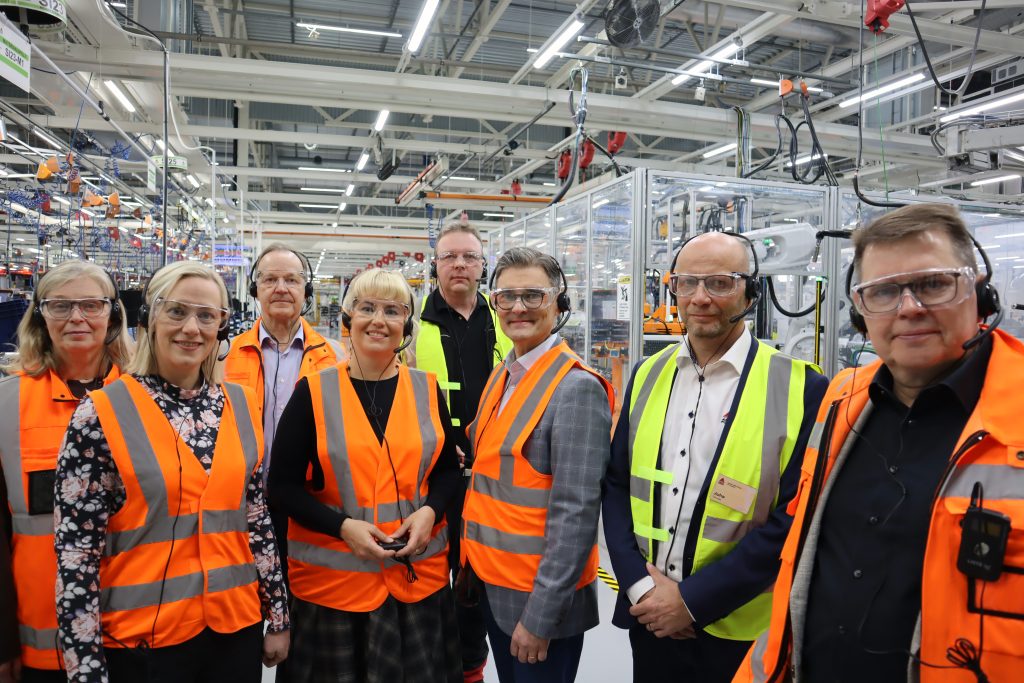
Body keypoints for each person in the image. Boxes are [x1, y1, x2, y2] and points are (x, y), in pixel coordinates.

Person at [734, 203, 1024, 682]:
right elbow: (803, 571)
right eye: (884, 291)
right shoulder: (842, 401)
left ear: (979, 290)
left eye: (933, 283)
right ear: (860, 312)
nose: (909, 307)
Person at [602, 231, 827, 683]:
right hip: (649, 619)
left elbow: (796, 516)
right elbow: (618, 484)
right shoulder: (648, 372)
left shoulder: (803, 388)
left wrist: (691, 602)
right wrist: (643, 587)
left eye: (720, 283)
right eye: (686, 283)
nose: (700, 298)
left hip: (740, 631)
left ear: (752, 292)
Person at [53, 261, 290, 683]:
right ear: (149, 319)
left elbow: (256, 519)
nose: (191, 329)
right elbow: (76, 554)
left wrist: (278, 612)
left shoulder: (240, 404)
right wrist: (84, 666)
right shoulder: (100, 414)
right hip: (142, 642)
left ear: (221, 327)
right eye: (177, 312)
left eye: (206, 316)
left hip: (234, 630)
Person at [269, 268, 462, 683]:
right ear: (347, 321)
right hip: (334, 591)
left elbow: (448, 472)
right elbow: (281, 488)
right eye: (367, 308)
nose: (379, 320)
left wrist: (431, 512)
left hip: (417, 585)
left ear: (406, 326)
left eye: (393, 310)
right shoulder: (313, 393)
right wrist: (342, 527)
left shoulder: (428, 390)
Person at [460, 246, 613, 683]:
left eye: (533, 295)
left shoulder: (576, 389)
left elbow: (576, 514)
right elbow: (493, 459)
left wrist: (541, 618)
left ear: (558, 302)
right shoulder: (504, 374)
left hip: (539, 606)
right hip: (493, 584)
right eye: (507, 296)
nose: (518, 308)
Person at [0, 261, 133, 683]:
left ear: (113, 315)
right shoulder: (6, 405)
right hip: (41, 640)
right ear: (40, 316)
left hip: (134, 632)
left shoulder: (144, 397)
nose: (76, 317)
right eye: (60, 306)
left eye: (91, 304)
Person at [412, 222, 512, 683]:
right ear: (435, 264)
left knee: (482, 583)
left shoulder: (505, 319)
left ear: (482, 265)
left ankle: (473, 668)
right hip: (432, 477)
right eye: (449, 256)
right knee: (434, 579)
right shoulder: (412, 322)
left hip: (498, 478)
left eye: (469, 257)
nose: (459, 264)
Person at [225, 243, 347, 572]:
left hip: (309, 505)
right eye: (270, 279)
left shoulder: (336, 357)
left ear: (305, 290)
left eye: (291, 280)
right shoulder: (224, 356)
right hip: (239, 506)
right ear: (255, 289)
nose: (281, 288)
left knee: (302, 598)